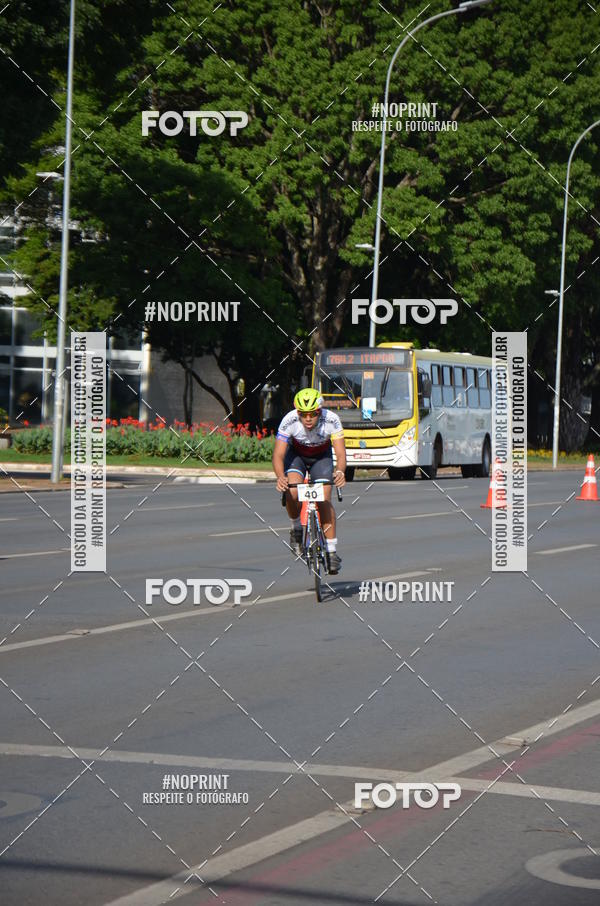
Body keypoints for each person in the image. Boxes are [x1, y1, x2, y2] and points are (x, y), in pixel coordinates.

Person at [272, 388, 346, 574]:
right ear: (298, 413)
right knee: (293, 490)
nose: (307, 419)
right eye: (303, 415)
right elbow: (278, 455)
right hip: (296, 456)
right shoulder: (289, 420)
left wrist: (340, 471)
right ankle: (296, 528)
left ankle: (331, 551)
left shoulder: (332, 420)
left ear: (319, 412)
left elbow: (340, 453)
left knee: (323, 499)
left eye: (312, 414)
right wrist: (281, 476)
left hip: (322, 457)